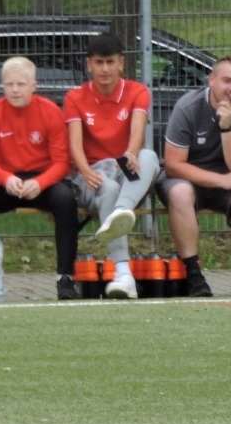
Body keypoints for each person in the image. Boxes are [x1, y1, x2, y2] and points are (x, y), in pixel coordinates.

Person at [0, 56, 78, 302]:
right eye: (9, 84)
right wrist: (6, 179)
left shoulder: (50, 112)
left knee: (65, 200)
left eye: (21, 84)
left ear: (33, 85)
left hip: (41, 181)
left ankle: (65, 279)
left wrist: (41, 183)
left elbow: (62, 162)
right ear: (2, 85)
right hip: (5, 181)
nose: (15, 90)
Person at [63, 32, 159, 299]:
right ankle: (123, 273)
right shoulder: (75, 97)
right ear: (89, 65)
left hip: (123, 172)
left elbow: (138, 131)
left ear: (121, 63)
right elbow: (75, 145)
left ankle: (119, 212)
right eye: (99, 62)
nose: (105, 69)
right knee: (107, 187)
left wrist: (130, 153)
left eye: (110, 62)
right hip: (93, 175)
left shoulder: (137, 91)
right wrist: (85, 171)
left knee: (148, 156)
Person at [160, 55, 231, 297]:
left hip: (227, 180)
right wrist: (221, 180)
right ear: (211, 80)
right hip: (187, 178)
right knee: (180, 193)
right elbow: (174, 165)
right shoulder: (188, 107)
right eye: (227, 80)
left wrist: (227, 127)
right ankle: (194, 275)